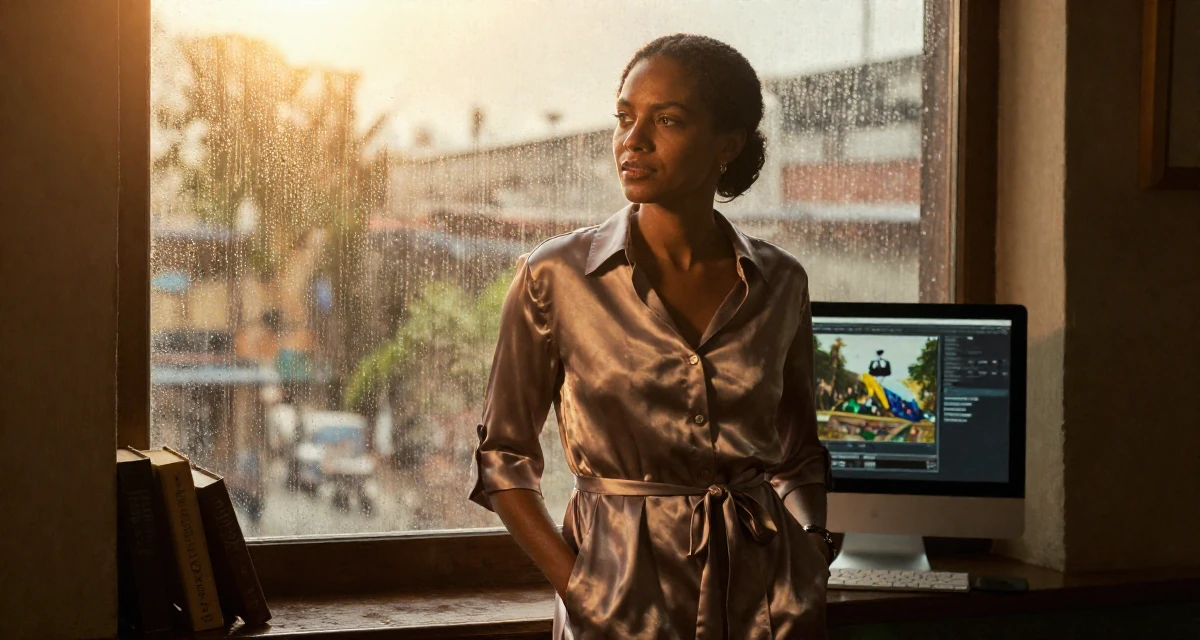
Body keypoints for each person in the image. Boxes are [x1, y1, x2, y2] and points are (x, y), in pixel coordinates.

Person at [467, 34, 833, 639]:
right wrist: (582, 586)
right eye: (624, 117)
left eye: (667, 120)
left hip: (768, 608)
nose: (633, 140)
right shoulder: (556, 278)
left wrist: (814, 548)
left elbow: (798, 453)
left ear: (727, 145)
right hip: (618, 608)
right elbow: (503, 459)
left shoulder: (780, 283)